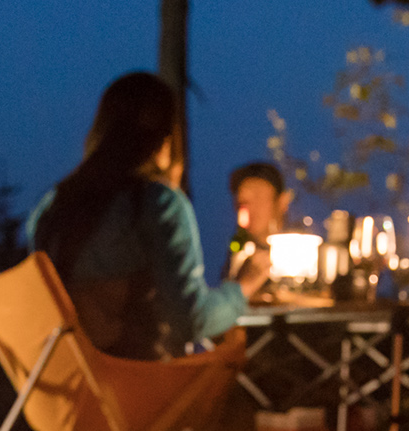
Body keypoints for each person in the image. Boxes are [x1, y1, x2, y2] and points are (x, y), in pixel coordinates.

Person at [26, 71, 270, 361]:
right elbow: (191, 321)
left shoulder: (50, 208)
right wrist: (244, 285)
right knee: (236, 365)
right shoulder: (157, 204)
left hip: (62, 386)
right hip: (136, 384)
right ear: (165, 140)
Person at [227, 161, 293, 281]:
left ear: (282, 201)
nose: (251, 209)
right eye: (243, 202)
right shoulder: (240, 256)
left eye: (259, 197)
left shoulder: (301, 251)